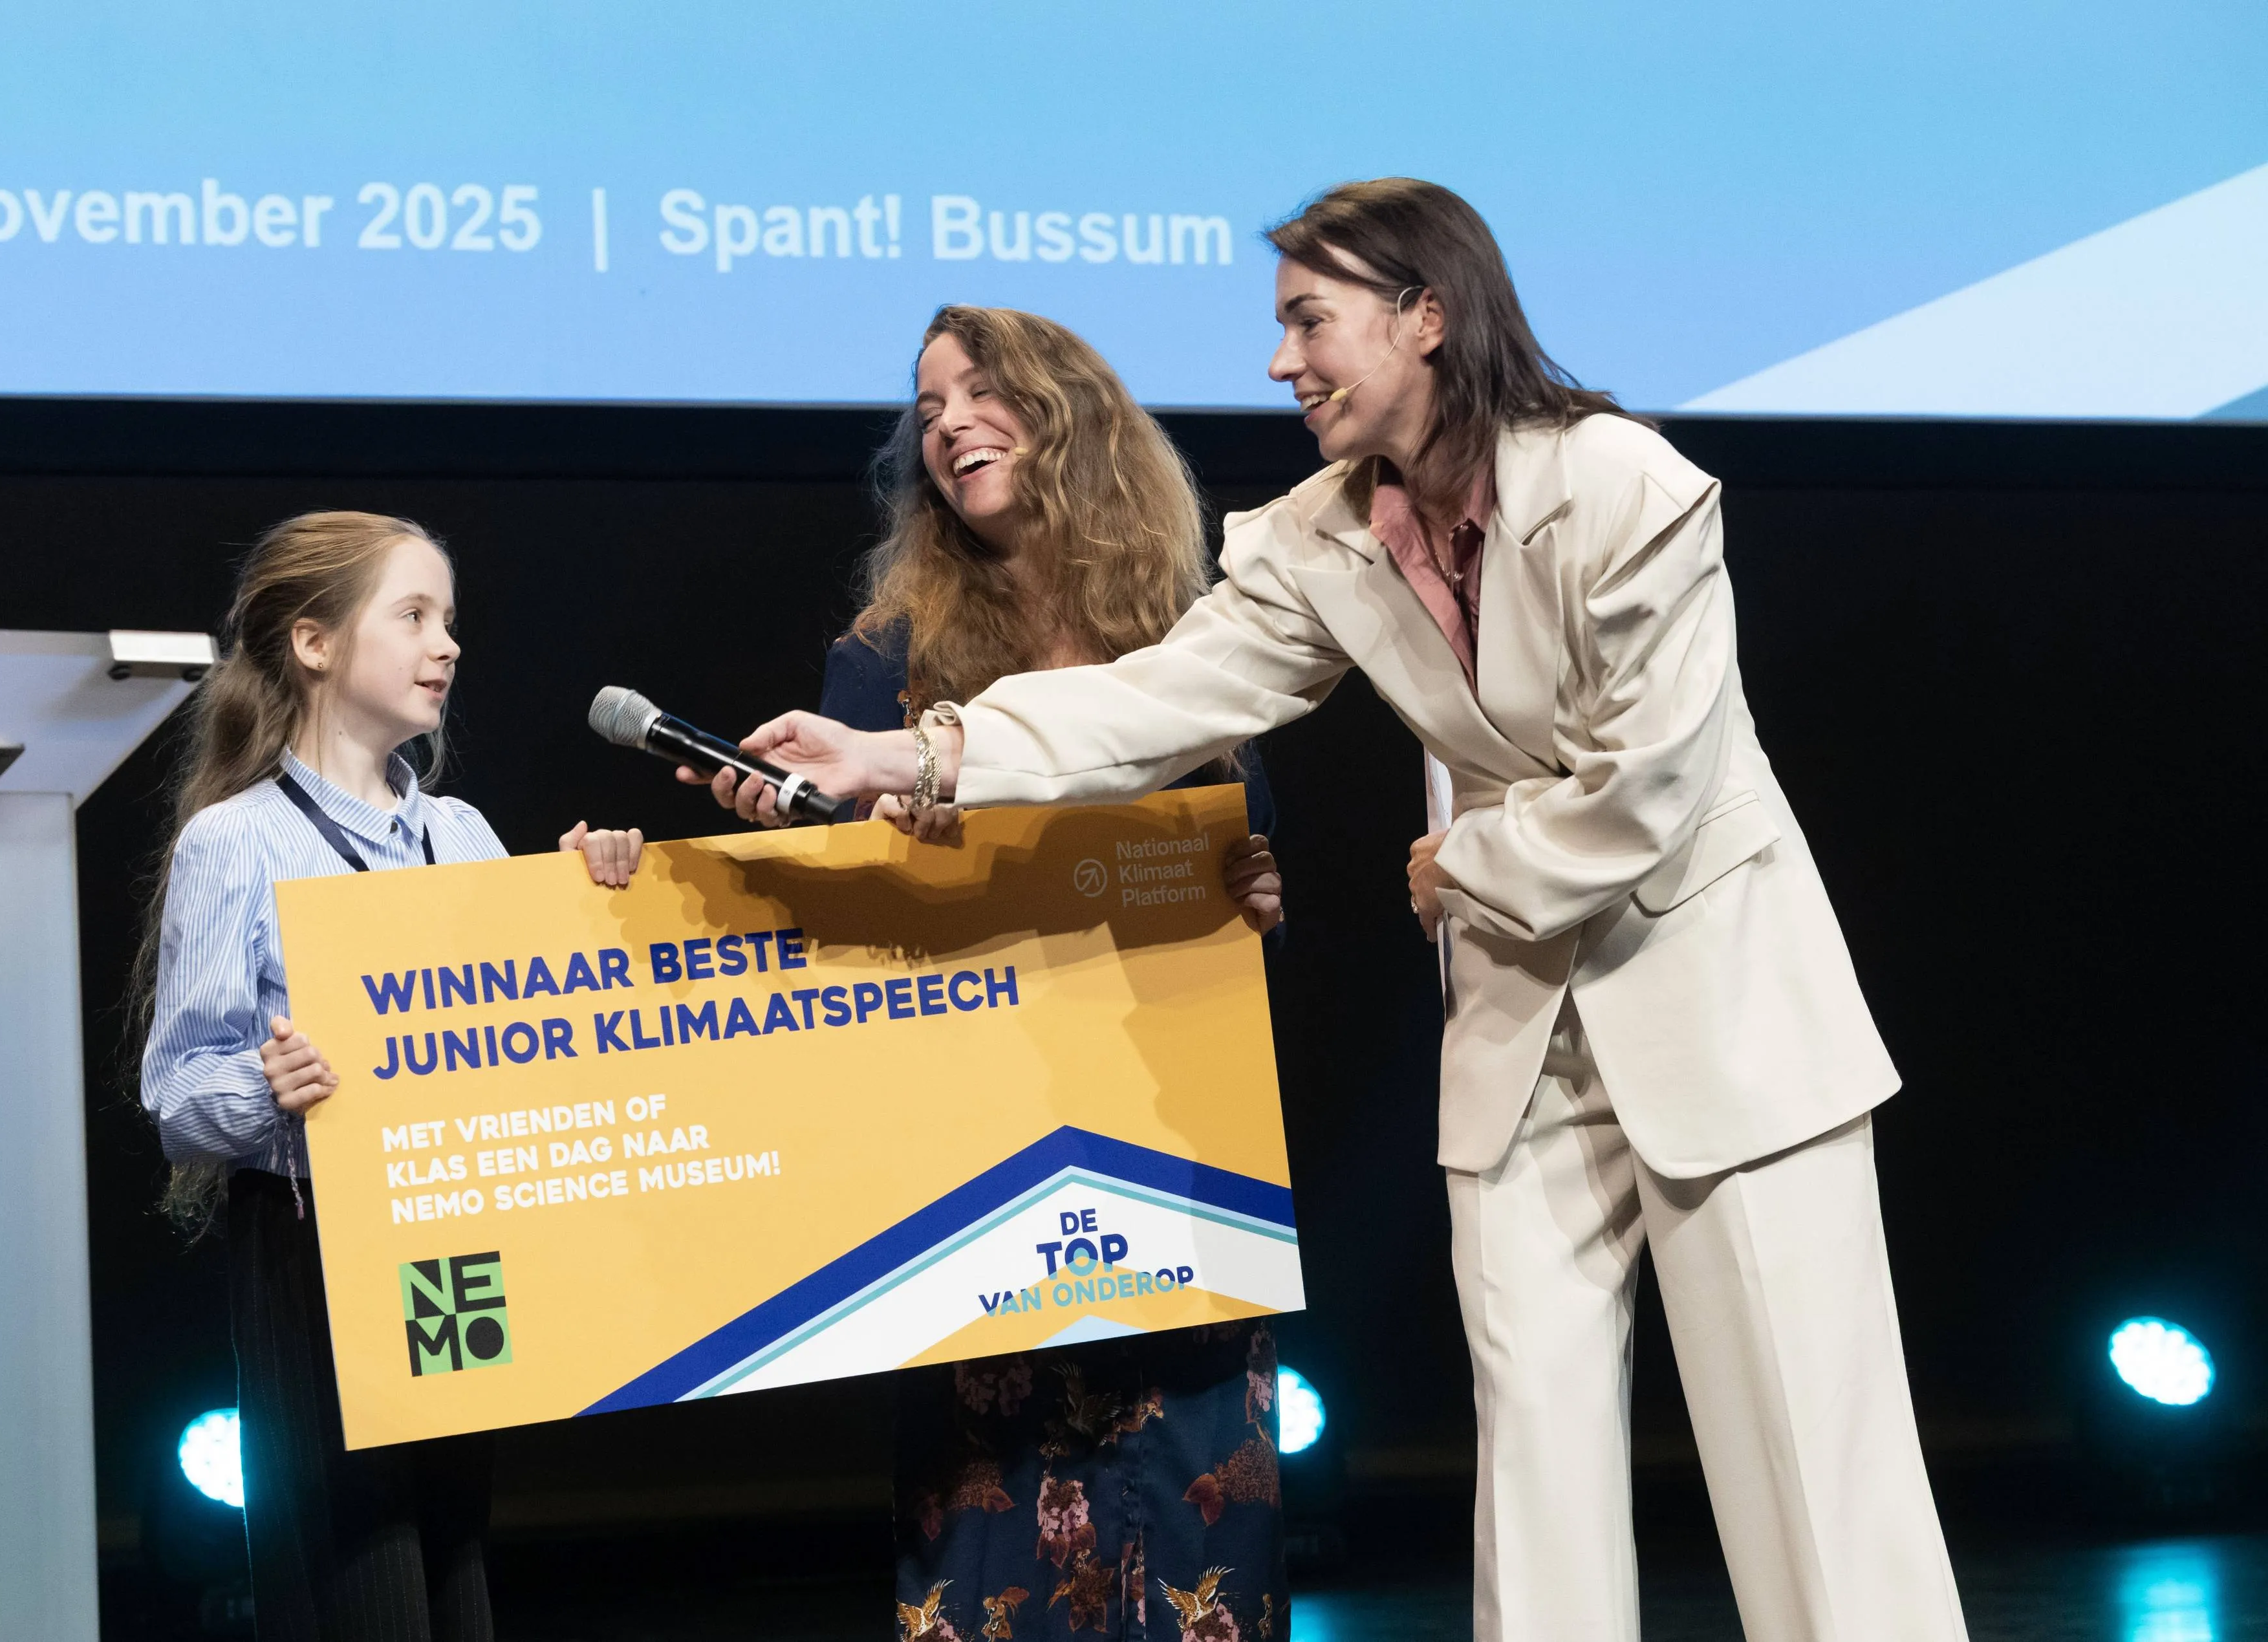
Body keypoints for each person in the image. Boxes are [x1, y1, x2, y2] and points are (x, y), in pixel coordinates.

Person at [717, 181, 1970, 1642]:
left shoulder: (1627, 487)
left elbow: (1654, 790)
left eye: (1310, 321)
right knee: (1536, 1473)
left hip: (1723, 1010)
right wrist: (907, 752)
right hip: (1520, 1042)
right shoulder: (1318, 537)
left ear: (1427, 317)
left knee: (1813, 1466)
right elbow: (1157, 700)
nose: (1280, 362)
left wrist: (1466, 870)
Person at [704, 305, 1288, 1642]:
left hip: (1175, 1152)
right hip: (986, 1183)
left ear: (1066, 410)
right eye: (928, 407)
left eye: (981, 391)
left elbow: (1236, 869)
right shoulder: (886, 659)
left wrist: (1255, 893)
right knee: (997, 1570)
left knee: (1200, 1550)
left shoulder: (1196, 641)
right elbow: (852, 931)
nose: (950, 420)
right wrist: (866, 851)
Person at [136, 511, 643, 1642]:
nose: (447, 643)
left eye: (451, 620)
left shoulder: (460, 833)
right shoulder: (238, 839)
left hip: (453, 1241)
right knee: (356, 1582)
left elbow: (536, 1041)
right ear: (315, 644)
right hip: (312, 1244)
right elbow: (176, 1094)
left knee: (454, 1570)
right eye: (413, 615)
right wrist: (268, 1089)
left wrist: (585, 905)